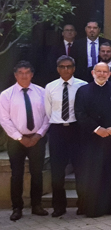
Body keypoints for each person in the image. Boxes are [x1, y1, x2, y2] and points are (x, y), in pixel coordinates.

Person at [74, 62, 111, 217]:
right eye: (99, 71)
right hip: (92, 140)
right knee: (93, 175)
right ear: (93, 73)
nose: (102, 74)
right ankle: (93, 208)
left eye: (105, 71)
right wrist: (98, 129)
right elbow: (80, 112)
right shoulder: (83, 91)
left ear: (109, 74)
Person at [0, 61, 50, 221]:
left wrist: (38, 135)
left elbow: (48, 116)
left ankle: (37, 205)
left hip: (37, 139)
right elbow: (4, 119)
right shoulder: (6, 95)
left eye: (27, 72)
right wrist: (20, 137)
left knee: (37, 174)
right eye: (20, 72)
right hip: (16, 141)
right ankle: (17, 207)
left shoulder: (42, 92)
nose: (24, 75)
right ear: (15, 75)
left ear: (32, 74)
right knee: (17, 175)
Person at [44, 56, 88, 217]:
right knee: (57, 171)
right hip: (57, 131)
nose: (66, 70)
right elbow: (48, 111)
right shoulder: (50, 87)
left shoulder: (82, 85)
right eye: (62, 67)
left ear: (74, 68)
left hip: (76, 129)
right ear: (57, 69)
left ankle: (82, 203)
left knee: (80, 169)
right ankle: (59, 206)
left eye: (69, 66)